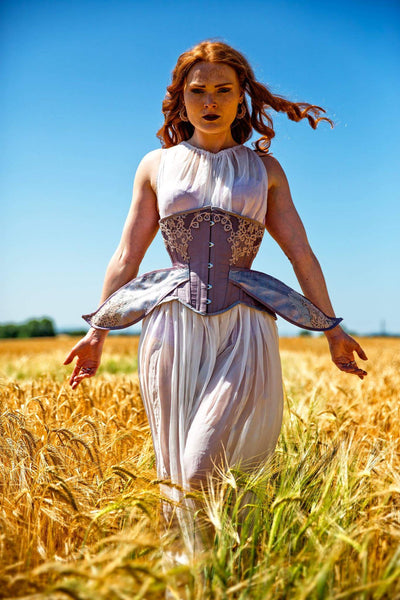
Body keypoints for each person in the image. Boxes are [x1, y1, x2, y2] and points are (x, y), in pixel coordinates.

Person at [64, 40, 368, 555]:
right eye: (198, 90)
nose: (210, 101)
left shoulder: (264, 171)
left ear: (241, 96)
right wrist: (97, 333)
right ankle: (194, 580)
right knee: (178, 475)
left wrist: (332, 331)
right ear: (180, 98)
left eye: (223, 90)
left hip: (243, 332)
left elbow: (302, 254)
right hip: (171, 332)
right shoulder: (155, 166)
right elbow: (125, 256)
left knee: (204, 466)